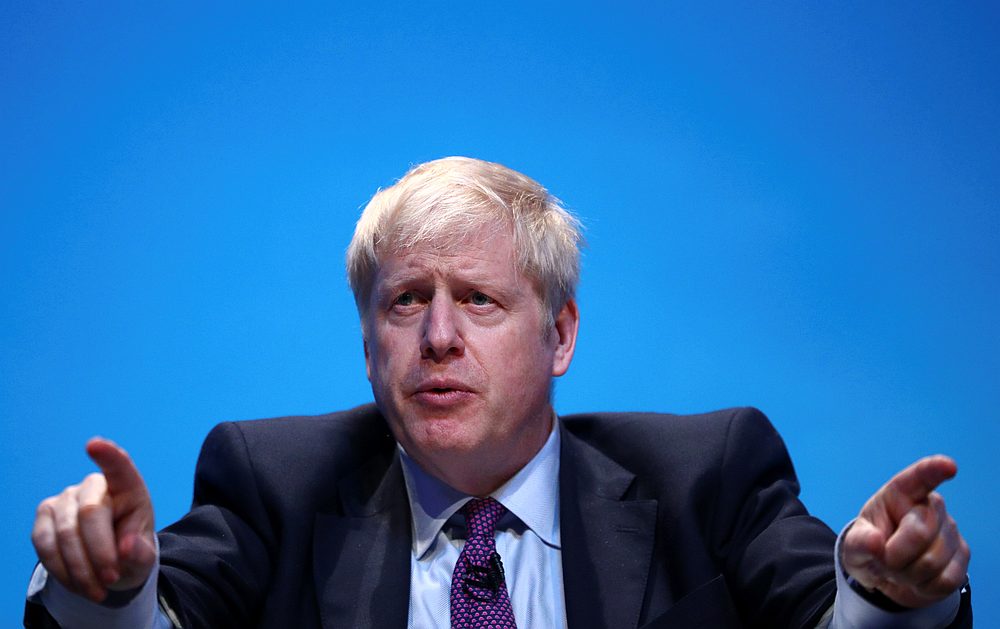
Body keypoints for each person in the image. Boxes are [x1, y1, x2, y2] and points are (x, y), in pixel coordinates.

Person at [26, 157, 972, 628]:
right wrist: (109, 591)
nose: (439, 336)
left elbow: (831, 612)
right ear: (367, 342)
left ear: (559, 333)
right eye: (407, 302)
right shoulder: (274, 483)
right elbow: (159, 612)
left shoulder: (708, 477)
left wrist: (889, 596)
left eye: (478, 299)